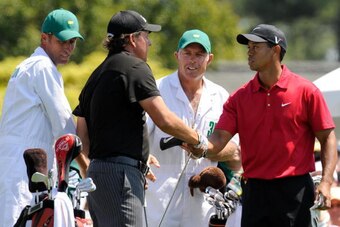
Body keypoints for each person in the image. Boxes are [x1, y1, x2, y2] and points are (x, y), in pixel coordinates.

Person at [187, 24, 338, 227]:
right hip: (254, 191)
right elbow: (219, 139)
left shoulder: (306, 91)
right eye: (248, 47)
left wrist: (327, 182)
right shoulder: (239, 98)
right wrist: (199, 145)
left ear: (275, 49)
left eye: (255, 47)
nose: (249, 52)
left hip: (295, 191)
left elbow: (327, 137)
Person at [72, 10, 209, 227]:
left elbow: (82, 134)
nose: (150, 42)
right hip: (120, 176)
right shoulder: (135, 67)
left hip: (97, 174)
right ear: (133, 39)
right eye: (146, 36)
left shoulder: (96, 74)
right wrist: (198, 140)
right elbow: (164, 119)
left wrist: (100, 167)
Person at [0, 8, 87, 227]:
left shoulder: (29, 66)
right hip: (24, 172)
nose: (68, 48)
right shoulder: (43, 68)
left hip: (18, 166)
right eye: (62, 41)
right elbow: (65, 128)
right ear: (44, 38)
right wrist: (86, 166)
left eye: (72, 42)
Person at [145, 29, 241, 227]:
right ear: (177, 55)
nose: (193, 60)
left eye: (199, 54)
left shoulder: (221, 96)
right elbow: (139, 136)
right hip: (160, 195)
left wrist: (207, 150)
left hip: (204, 200)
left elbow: (236, 150)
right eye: (187, 53)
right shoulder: (156, 89)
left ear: (210, 58)